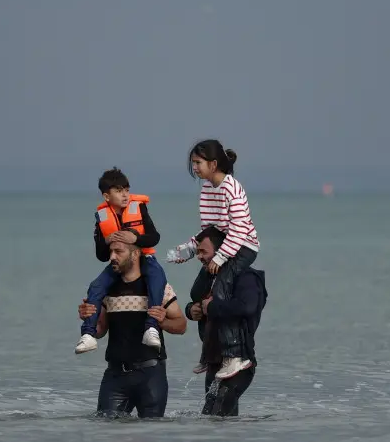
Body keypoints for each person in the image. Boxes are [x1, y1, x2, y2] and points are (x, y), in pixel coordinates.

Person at [166, 139, 261, 380]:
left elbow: (239, 231)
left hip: (243, 247)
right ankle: (210, 354)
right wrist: (188, 250)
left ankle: (234, 356)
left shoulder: (232, 188)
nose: (195, 168)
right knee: (200, 293)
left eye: (198, 163)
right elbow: (209, 230)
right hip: (223, 247)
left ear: (214, 163)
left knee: (220, 292)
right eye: (193, 163)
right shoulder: (207, 189)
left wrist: (220, 257)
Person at [78, 239, 187, 418]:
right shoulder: (107, 288)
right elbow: (100, 330)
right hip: (115, 375)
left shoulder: (158, 289)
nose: (112, 257)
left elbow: (181, 325)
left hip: (151, 373)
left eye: (118, 252)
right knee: (105, 431)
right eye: (111, 252)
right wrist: (86, 317)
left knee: (152, 432)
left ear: (135, 254)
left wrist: (162, 322)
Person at [77, 168, 168, 355]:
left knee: (157, 280)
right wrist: (107, 240)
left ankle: (151, 329)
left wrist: (135, 239)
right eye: (119, 191)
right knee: (95, 287)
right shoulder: (101, 217)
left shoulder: (139, 208)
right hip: (118, 262)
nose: (125, 195)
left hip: (145, 259)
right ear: (106, 196)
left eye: (127, 190)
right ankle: (88, 334)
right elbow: (101, 255)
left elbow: (154, 237)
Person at [187, 226, 267, 417]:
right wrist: (191, 310)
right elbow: (199, 299)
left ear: (222, 251)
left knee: (217, 416)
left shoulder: (247, 277)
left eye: (203, 251)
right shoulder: (212, 277)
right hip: (215, 361)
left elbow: (247, 307)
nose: (199, 256)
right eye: (197, 252)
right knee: (213, 418)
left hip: (240, 362)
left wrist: (211, 308)